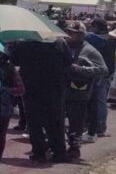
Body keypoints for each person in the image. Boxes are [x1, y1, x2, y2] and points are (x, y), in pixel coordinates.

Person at [13, 37, 73, 162]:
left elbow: (14, 60)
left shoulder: (23, 43)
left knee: (34, 121)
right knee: (56, 121)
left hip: (31, 86)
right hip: (54, 87)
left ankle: (39, 153)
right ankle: (59, 152)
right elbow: (68, 61)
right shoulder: (59, 43)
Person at [63, 21, 107, 158]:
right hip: (62, 90)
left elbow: (103, 70)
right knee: (57, 120)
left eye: (72, 33)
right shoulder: (64, 46)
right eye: (68, 32)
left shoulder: (90, 50)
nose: (68, 35)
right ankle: (55, 145)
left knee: (76, 123)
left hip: (79, 92)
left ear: (81, 35)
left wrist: (81, 69)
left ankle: (74, 148)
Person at [84, 18, 115, 141]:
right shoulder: (111, 40)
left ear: (96, 27)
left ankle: (98, 128)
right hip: (107, 73)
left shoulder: (91, 38)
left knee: (96, 101)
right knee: (100, 101)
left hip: (97, 73)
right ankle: (100, 127)